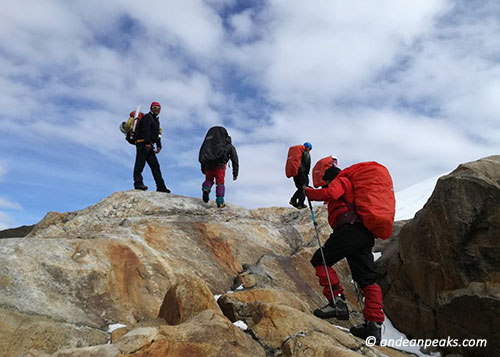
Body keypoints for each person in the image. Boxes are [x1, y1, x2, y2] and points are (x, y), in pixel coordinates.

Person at [305, 166, 384, 343]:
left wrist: (310, 193)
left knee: (320, 260)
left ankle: (337, 303)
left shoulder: (340, 180)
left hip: (349, 230)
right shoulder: (353, 187)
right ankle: (373, 327)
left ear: (330, 179)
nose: (324, 186)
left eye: (325, 182)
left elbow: (331, 193)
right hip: (364, 234)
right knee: (367, 279)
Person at [133, 101, 170, 193]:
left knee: (155, 166)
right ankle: (138, 183)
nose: (156, 110)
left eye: (158, 108)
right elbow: (145, 130)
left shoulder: (156, 120)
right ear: (151, 108)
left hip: (150, 146)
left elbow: (157, 134)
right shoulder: (147, 117)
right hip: (143, 144)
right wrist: (148, 142)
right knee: (140, 164)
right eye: (154, 108)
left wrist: (159, 145)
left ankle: (161, 186)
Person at [199, 126, 238, 208]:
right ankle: (220, 202)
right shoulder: (228, 146)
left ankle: (206, 188)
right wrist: (235, 173)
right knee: (220, 182)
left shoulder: (207, 144)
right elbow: (235, 159)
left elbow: (203, 155)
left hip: (208, 165)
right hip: (220, 165)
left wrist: (203, 169)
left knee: (208, 179)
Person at [289, 142, 312, 209]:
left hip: (295, 173)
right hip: (302, 172)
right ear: (308, 148)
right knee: (304, 187)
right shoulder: (306, 153)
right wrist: (307, 172)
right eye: (310, 149)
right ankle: (300, 203)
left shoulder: (298, 154)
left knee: (300, 188)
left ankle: (293, 200)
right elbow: (307, 164)